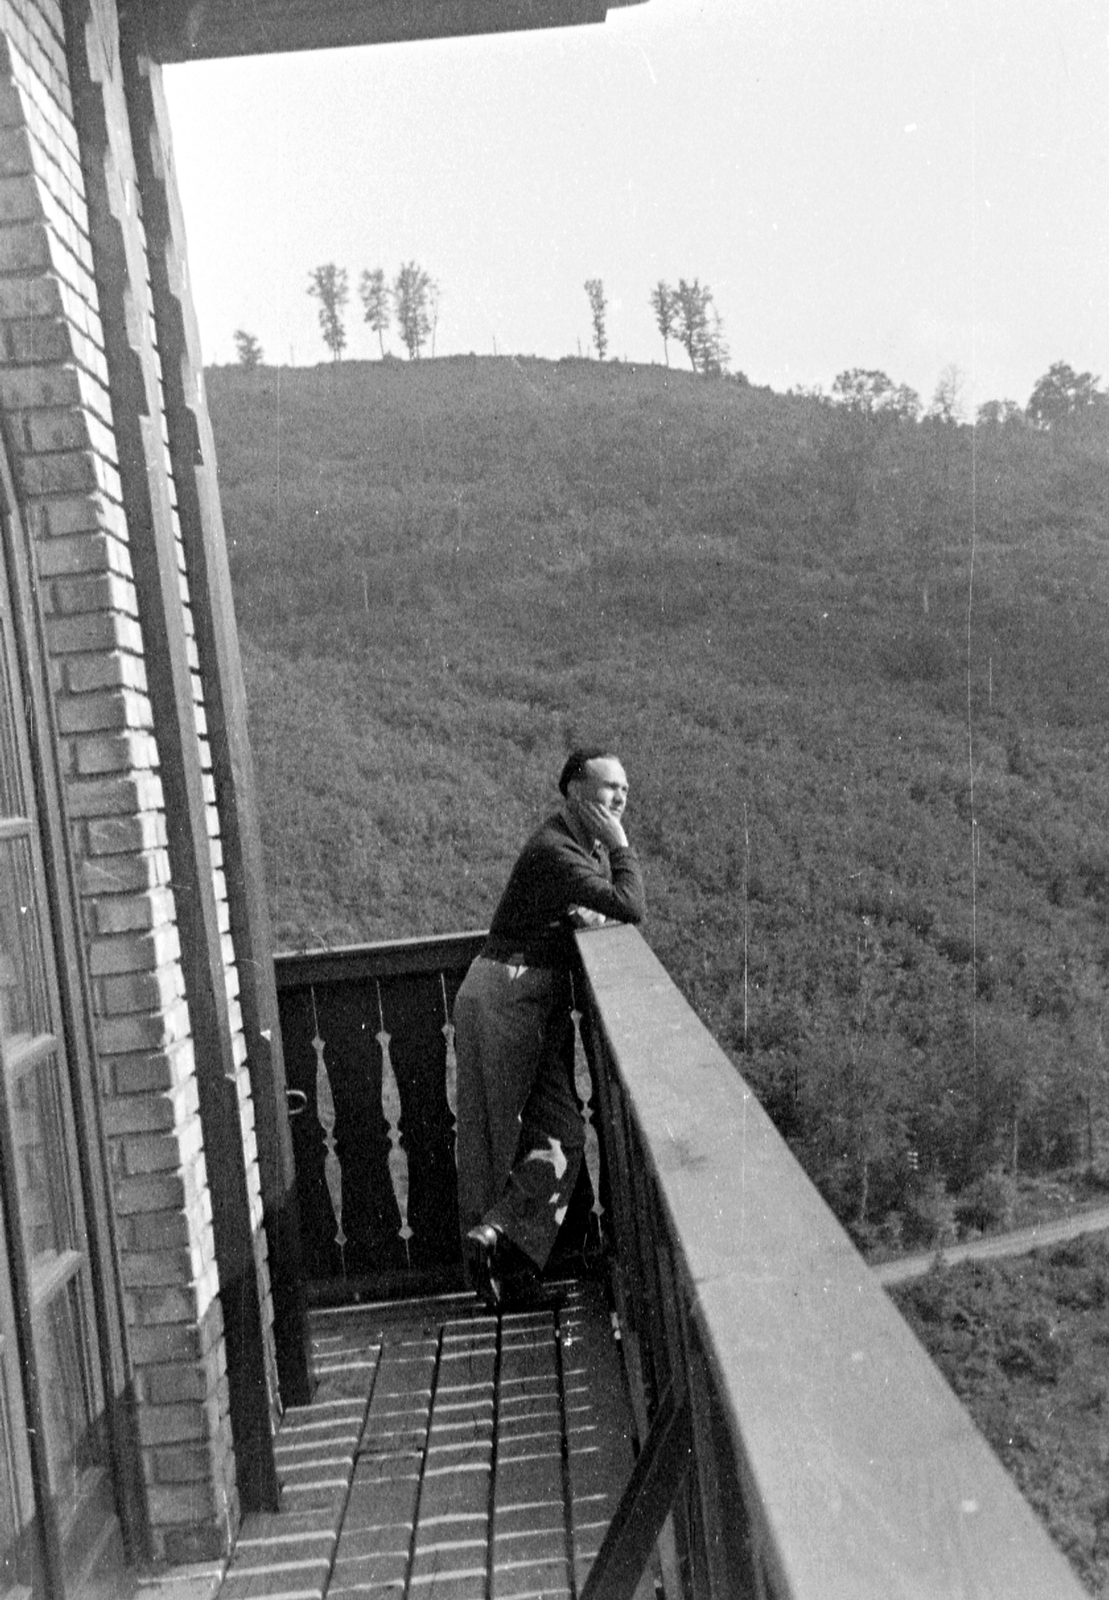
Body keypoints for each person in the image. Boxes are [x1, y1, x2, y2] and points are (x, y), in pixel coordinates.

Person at [453, 748, 646, 1309]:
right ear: (574, 792)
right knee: (502, 1138)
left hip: (526, 1001)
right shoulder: (555, 850)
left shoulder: (569, 848)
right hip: (507, 998)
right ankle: (503, 1277)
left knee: (560, 1135)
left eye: (625, 791)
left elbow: (591, 910)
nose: (619, 800)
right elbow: (630, 904)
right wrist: (621, 847)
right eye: (609, 788)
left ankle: (497, 1240)